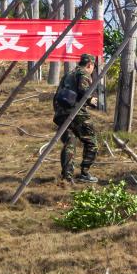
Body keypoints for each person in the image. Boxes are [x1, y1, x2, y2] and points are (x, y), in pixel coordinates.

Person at [54, 53, 99, 183]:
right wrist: (91, 100)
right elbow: (84, 90)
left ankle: (67, 176)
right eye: (93, 67)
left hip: (60, 114)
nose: (93, 70)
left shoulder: (68, 74)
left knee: (69, 142)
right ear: (89, 64)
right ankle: (85, 172)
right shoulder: (83, 73)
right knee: (92, 141)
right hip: (75, 113)